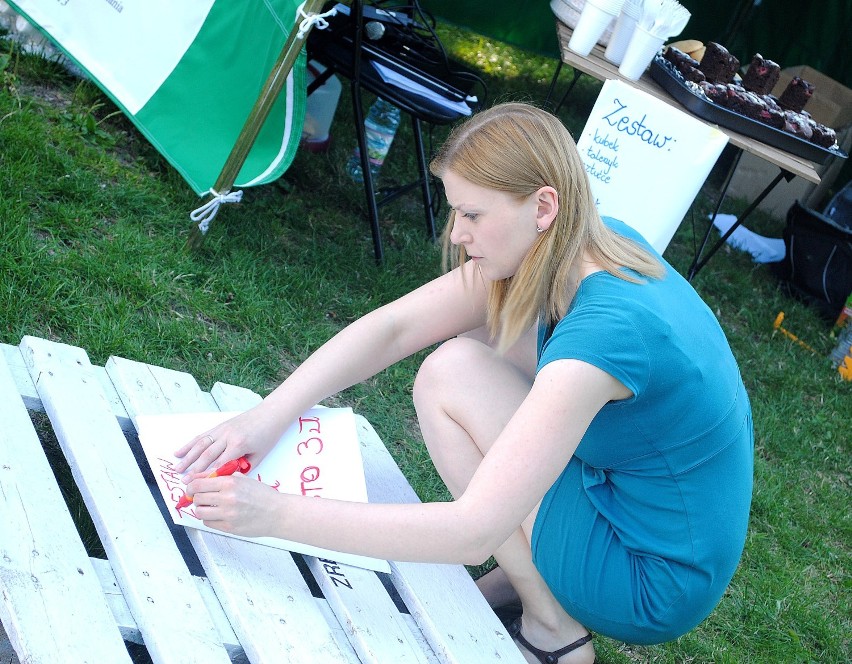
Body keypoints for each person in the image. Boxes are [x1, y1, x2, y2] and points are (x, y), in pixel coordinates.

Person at [175, 102, 754, 664]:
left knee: (450, 375)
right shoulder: (594, 241)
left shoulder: (605, 335)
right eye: (455, 212)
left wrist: (274, 515)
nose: (457, 234)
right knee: (470, 355)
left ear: (544, 206)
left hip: (649, 579)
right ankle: (535, 570)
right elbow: (396, 327)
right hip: (642, 505)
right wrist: (267, 415)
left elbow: (471, 532)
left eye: (473, 215)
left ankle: (553, 626)